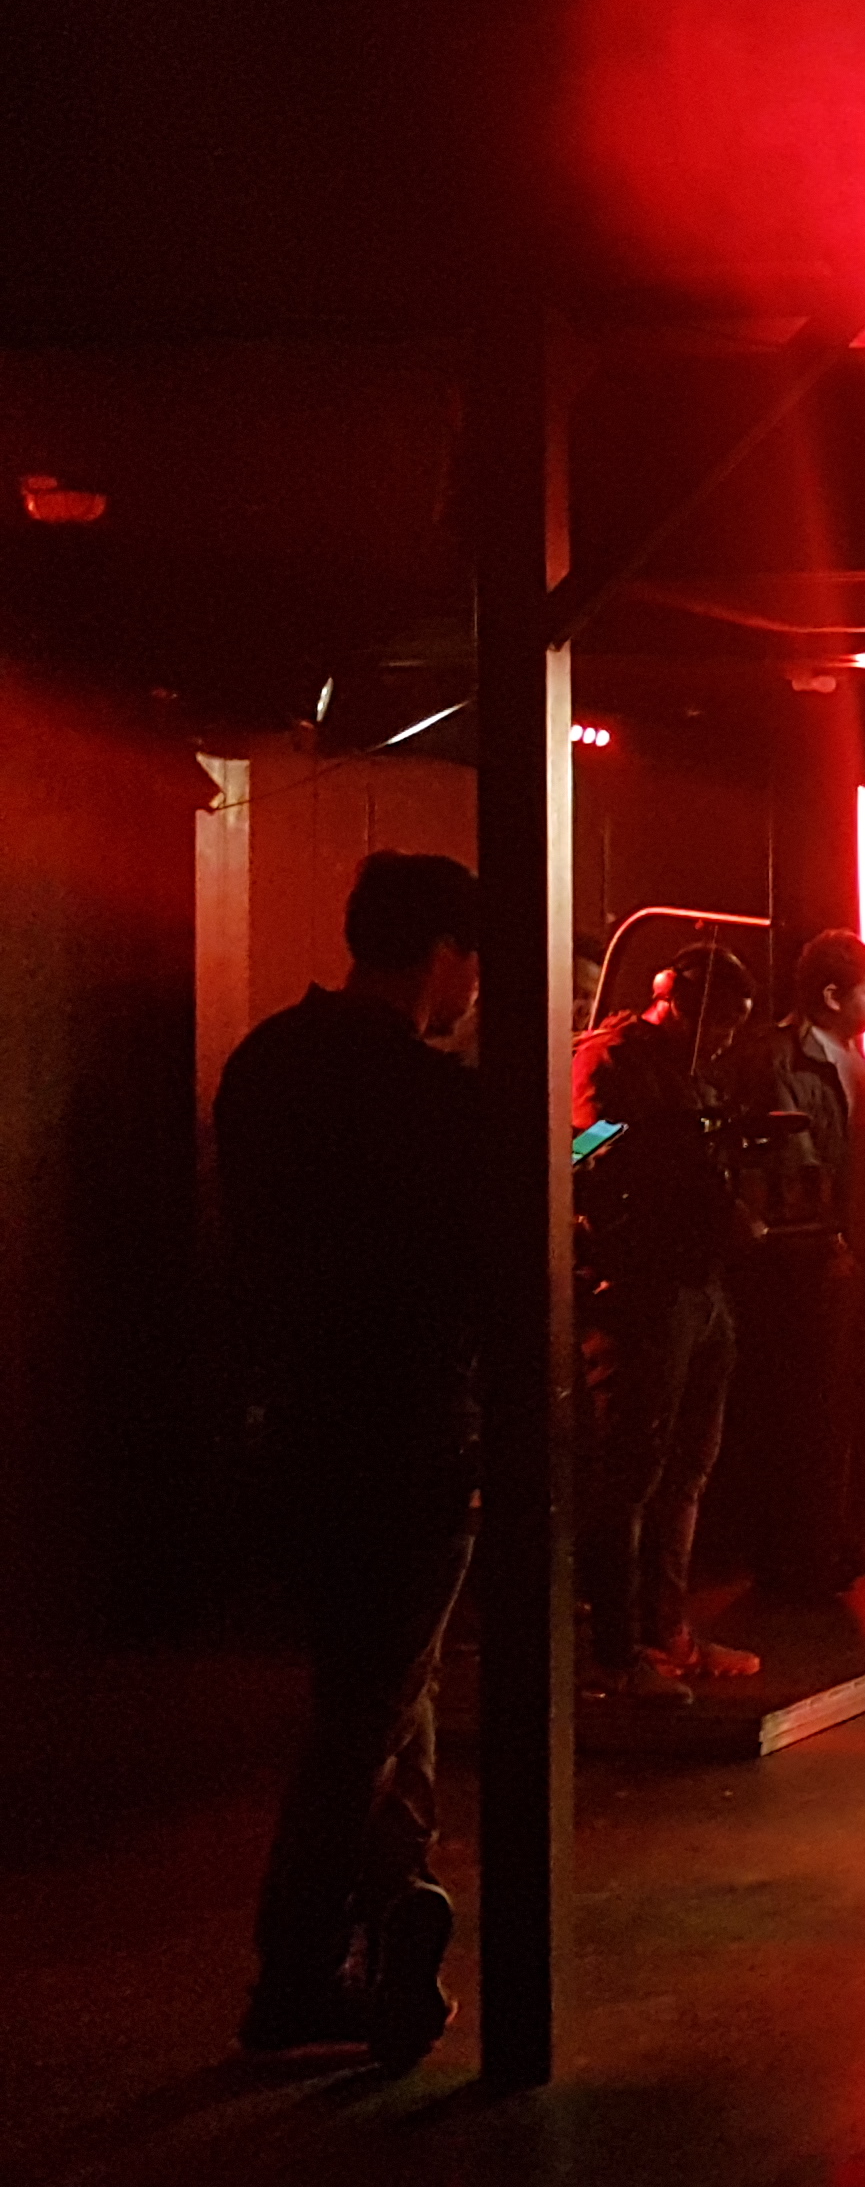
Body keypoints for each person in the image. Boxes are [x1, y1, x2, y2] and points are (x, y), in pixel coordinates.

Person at [214, 852, 490, 2066]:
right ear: (443, 955)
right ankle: (301, 1966)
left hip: (297, 1426)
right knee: (369, 1706)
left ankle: (396, 1919)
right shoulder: (433, 1099)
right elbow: (474, 1271)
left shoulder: (263, 1064)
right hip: (412, 1429)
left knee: (377, 1686)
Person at [574, 944, 765, 1703]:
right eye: (719, 1021)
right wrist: (642, 1142)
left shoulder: (684, 1068)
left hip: (694, 1283)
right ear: (676, 998)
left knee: (685, 1468)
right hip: (642, 1289)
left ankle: (664, 1633)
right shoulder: (611, 1059)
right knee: (631, 1474)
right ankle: (616, 1653)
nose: (724, 1038)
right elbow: (579, 1148)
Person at [722, 931, 865, 1599]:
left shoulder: (853, 1063)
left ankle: (826, 1536)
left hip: (844, 1253)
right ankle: (794, 1554)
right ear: (831, 995)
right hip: (798, 1262)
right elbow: (790, 1161)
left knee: (835, 1402)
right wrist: (827, 1238)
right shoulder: (777, 1058)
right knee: (797, 1406)